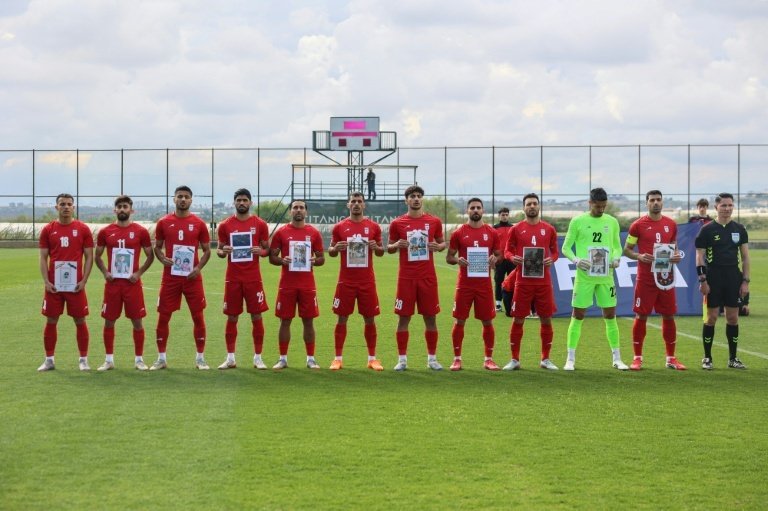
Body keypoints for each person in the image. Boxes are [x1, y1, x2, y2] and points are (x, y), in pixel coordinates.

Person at [561, 187, 628, 371]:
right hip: (585, 277)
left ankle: (617, 358)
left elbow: (617, 246)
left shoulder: (612, 222)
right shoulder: (578, 221)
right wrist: (576, 260)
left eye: (604, 206)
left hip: (606, 277)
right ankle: (570, 359)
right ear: (590, 203)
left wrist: (615, 258)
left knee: (610, 315)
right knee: (578, 315)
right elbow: (565, 248)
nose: (601, 210)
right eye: (598, 206)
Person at [622, 190, 687, 371]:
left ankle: (671, 358)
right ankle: (637, 358)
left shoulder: (671, 224)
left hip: (665, 277)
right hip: (646, 278)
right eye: (652, 200)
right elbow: (627, 249)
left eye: (658, 200)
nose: (656, 203)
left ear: (662, 202)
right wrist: (639, 256)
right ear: (647, 203)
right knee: (641, 314)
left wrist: (675, 256)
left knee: (668, 315)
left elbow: (674, 248)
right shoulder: (638, 225)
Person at [151, 185, 212, 370]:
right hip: (170, 277)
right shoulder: (163, 222)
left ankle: (200, 358)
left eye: (186, 196)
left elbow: (207, 251)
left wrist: (198, 267)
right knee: (163, 316)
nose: (183, 199)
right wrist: (162, 259)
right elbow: (157, 247)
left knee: (198, 316)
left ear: (191, 200)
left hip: (192, 277)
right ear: (174, 199)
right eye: (180, 196)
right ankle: (161, 358)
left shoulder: (199, 223)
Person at [387, 185, 446, 370]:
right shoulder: (397, 223)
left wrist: (439, 247)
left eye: (419, 196)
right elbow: (389, 248)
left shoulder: (434, 221)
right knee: (403, 318)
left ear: (422, 199)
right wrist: (397, 243)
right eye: (412, 196)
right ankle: (402, 360)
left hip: (428, 277)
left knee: (430, 318)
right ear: (406, 200)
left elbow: (442, 242)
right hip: (406, 278)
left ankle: (432, 359)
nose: (416, 199)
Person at [93, 195, 154, 371]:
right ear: (114, 210)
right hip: (113, 285)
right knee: (109, 322)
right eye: (119, 207)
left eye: (125, 206)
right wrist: (105, 272)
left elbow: (150, 255)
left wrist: (139, 272)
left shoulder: (141, 231)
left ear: (131, 210)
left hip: (132, 285)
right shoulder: (105, 231)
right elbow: (97, 255)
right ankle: (109, 360)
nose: (122, 209)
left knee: (137, 322)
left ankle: (139, 360)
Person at [327, 192, 385, 370]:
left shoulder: (373, 227)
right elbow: (331, 251)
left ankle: (372, 359)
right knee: (342, 318)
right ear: (348, 205)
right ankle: (337, 358)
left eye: (360, 201)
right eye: (353, 201)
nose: (356, 204)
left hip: (367, 281)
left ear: (364, 205)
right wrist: (335, 248)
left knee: (370, 319)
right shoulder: (339, 227)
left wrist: (377, 247)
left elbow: (382, 251)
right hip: (346, 281)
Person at [37, 193, 94, 371]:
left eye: (69, 204)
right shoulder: (48, 229)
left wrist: (84, 281)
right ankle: (49, 360)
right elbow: (43, 257)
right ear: (56, 207)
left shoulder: (83, 229)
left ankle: (83, 359)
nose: (66, 207)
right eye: (62, 204)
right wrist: (46, 281)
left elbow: (89, 257)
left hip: (75, 285)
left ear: (74, 207)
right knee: (51, 320)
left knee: (80, 320)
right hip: (54, 285)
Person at [215, 188, 270, 370]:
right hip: (233, 278)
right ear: (234, 203)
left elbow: (266, 250)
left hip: (253, 278)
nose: (242, 203)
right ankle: (230, 357)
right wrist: (224, 251)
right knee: (232, 317)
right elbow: (220, 251)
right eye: (239, 200)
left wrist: (260, 251)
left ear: (250, 203)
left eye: (245, 200)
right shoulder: (225, 225)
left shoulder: (260, 224)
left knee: (256, 315)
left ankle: (258, 357)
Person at [504, 193, 560, 371]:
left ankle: (545, 359)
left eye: (535, 203)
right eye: (529, 204)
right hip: (523, 282)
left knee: (546, 320)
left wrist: (552, 259)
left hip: (543, 282)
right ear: (524, 208)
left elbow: (555, 252)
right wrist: (513, 258)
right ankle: (514, 359)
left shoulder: (549, 229)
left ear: (539, 206)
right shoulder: (516, 229)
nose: (532, 206)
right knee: (518, 319)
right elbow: (507, 251)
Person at [695, 192, 750, 370]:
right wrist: (703, 280)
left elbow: (746, 258)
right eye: (723, 205)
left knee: (733, 318)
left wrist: (745, 281)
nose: (727, 209)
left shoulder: (739, 229)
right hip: (714, 278)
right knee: (711, 318)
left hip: (733, 277)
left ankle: (733, 358)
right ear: (716, 207)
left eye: (730, 205)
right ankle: (707, 358)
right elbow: (699, 256)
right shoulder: (707, 230)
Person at [445, 198, 501, 371]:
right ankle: (457, 359)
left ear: (483, 211)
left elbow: (499, 255)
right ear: (467, 211)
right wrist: (457, 260)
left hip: (484, 285)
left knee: (487, 322)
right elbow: (449, 257)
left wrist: (495, 260)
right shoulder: (458, 233)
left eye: (478, 208)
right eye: (472, 208)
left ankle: (488, 359)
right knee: (460, 321)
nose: (475, 210)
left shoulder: (492, 233)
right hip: (464, 285)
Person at [269, 200, 325, 369]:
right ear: (290, 212)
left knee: (308, 321)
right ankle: (283, 358)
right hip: (287, 284)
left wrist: (315, 260)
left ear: (306, 212)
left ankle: (310, 358)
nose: (298, 210)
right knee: (284, 321)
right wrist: (281, 260)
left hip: (307, 285)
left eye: (301, 208)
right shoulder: (281, 233)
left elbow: (322, 258)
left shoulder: (314, 233)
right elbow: (272, 257)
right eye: (295, 208)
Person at [493, 207, 515, 313]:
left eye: (506, 214)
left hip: (511, 260)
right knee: (499, 281)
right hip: (499, 260)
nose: (505, 216)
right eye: (503, 214)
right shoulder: (494, 228)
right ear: (499, 216)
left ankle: (512, 302)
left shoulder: (513, 228)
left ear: (508, 215)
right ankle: (498, 304)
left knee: (512, 282)